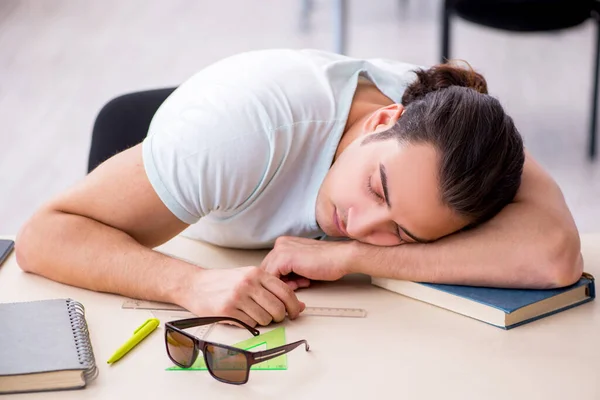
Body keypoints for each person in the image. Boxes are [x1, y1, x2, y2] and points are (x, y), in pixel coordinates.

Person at [15, 49, 582, 328]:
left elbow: (555, 258)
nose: (359, 224)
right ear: (385, 119)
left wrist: (357, 258)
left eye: (401, 233)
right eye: (377, 190)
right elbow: (44, 237)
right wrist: (188, 284)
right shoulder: (236, 135)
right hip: (196, 208)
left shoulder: (462, 141)